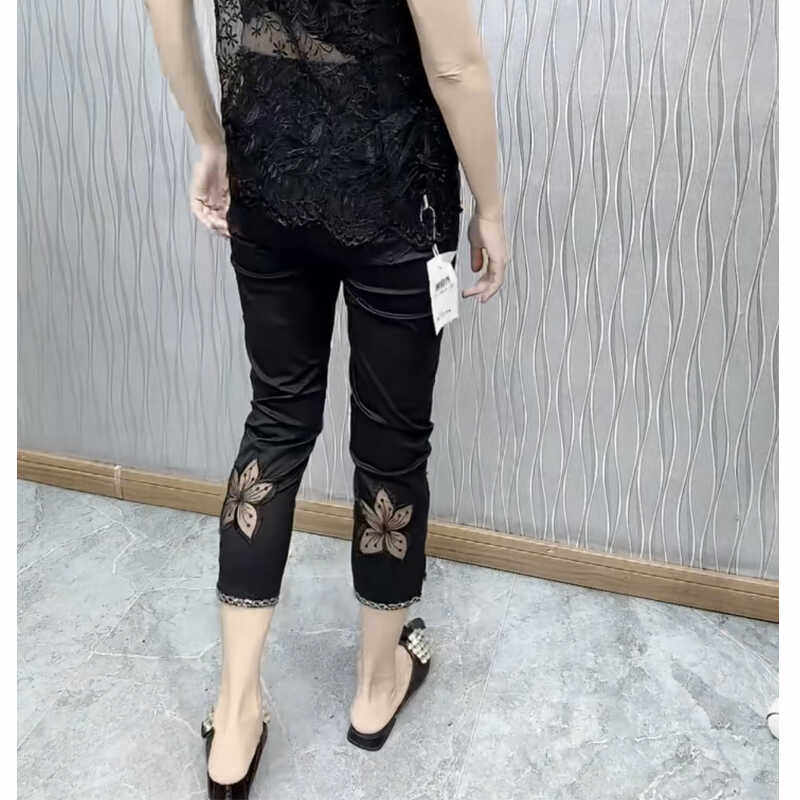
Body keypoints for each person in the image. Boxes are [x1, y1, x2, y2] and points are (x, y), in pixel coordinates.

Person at [145, 0, 508, 795]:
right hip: (395, 191)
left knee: (276, 422)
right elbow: (453, 64)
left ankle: (235, 717)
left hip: (269, 174)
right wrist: (491, 205)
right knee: (391, 441)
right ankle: (377, 687)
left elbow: (165, 11)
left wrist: (210, 138)